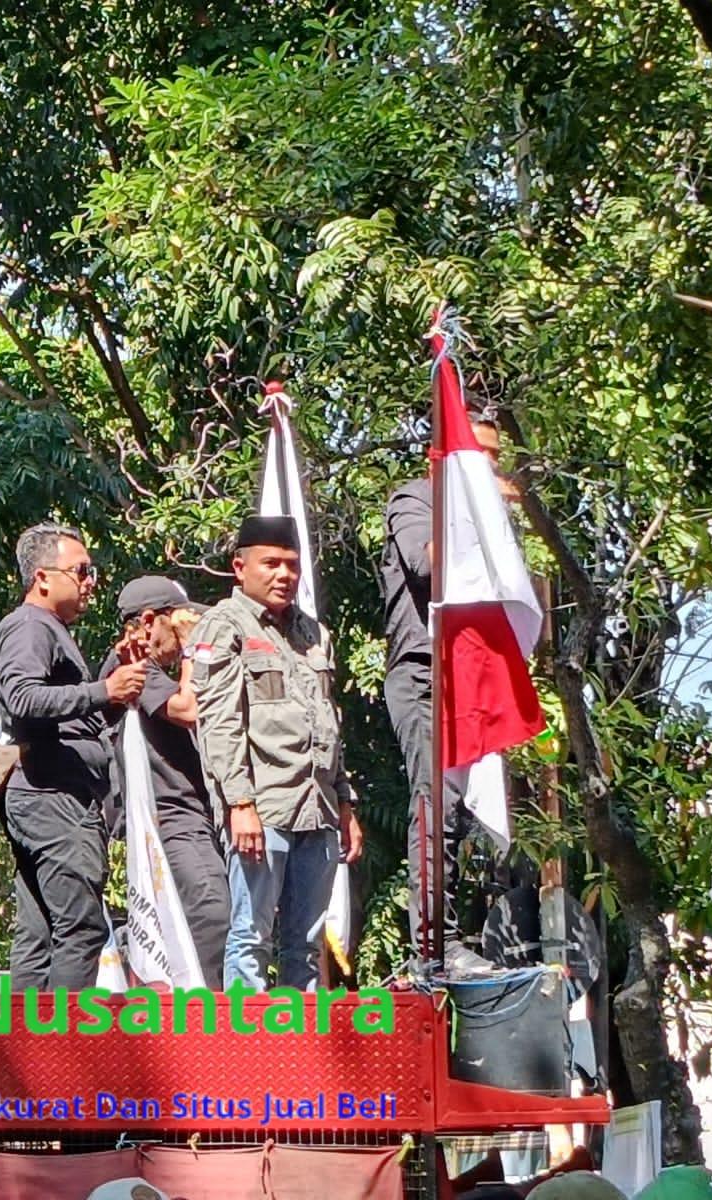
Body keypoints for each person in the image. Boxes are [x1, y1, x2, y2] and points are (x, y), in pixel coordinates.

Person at [193, 515, 363, 991]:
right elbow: (221, 724)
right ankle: (247, 1055)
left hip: (319, 807)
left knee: (306, 943)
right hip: (263, 808)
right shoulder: (223, 626)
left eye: (292, 565)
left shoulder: (313, 633)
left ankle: (300, 1051)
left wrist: (345, 804)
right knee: (251, 936)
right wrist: (240, 804)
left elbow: (327, 723)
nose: (284, 575)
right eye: (270, 563)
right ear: (239, 567)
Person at [381, 410, 514, 974]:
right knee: (434, 803)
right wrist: (477, 523)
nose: (488, 466)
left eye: (495, 457)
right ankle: (434, 945)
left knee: (457, 812)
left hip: (469, 677)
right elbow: (426, 565)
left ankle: (449, 940)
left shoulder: (488, 519)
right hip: (422, 672)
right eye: (475, 453)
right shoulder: (416, 500)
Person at [0, 522, 146, 989]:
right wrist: (103, 690)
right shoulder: (29, 626)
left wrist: (111, 688)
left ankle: (26, 1048)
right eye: (81, 570)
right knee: (81, 927)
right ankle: (61, 1048)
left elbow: (71, 710)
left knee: (40, 933)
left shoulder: (46, 630)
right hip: (52, 796)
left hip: (48, 792)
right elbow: (23, 699)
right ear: (42, 577)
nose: (91, 580)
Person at [100, 576, 230, 989]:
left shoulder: (150, 668)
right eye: (180, 627)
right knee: (212, 912)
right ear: (151, 621)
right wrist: (195, 649)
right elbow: (188, 709)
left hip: (192, 814)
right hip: (170, 818)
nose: (184, 639)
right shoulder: (131, 666)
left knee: (211, 918)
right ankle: (200, 1023)